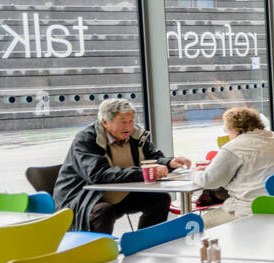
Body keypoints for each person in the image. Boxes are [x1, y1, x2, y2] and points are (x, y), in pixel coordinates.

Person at [53, 97, 192, 234]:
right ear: (105, 122)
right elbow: (98, 174)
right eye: (123, 122)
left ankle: (144, 242)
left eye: (131, 121)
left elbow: (152, 158)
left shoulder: (135, 136)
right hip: (83, 200)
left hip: (118, 197)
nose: (129, 127)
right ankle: (101, 253)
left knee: (160, 199)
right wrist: (143, 173)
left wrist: (169, 163)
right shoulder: (86, 140)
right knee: (103, 211)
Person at [189, 107, 274, 226]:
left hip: (255, 211)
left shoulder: (234, 147)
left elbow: (208, 180)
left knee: (202, 221)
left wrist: (194, 173)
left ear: (234, 130)